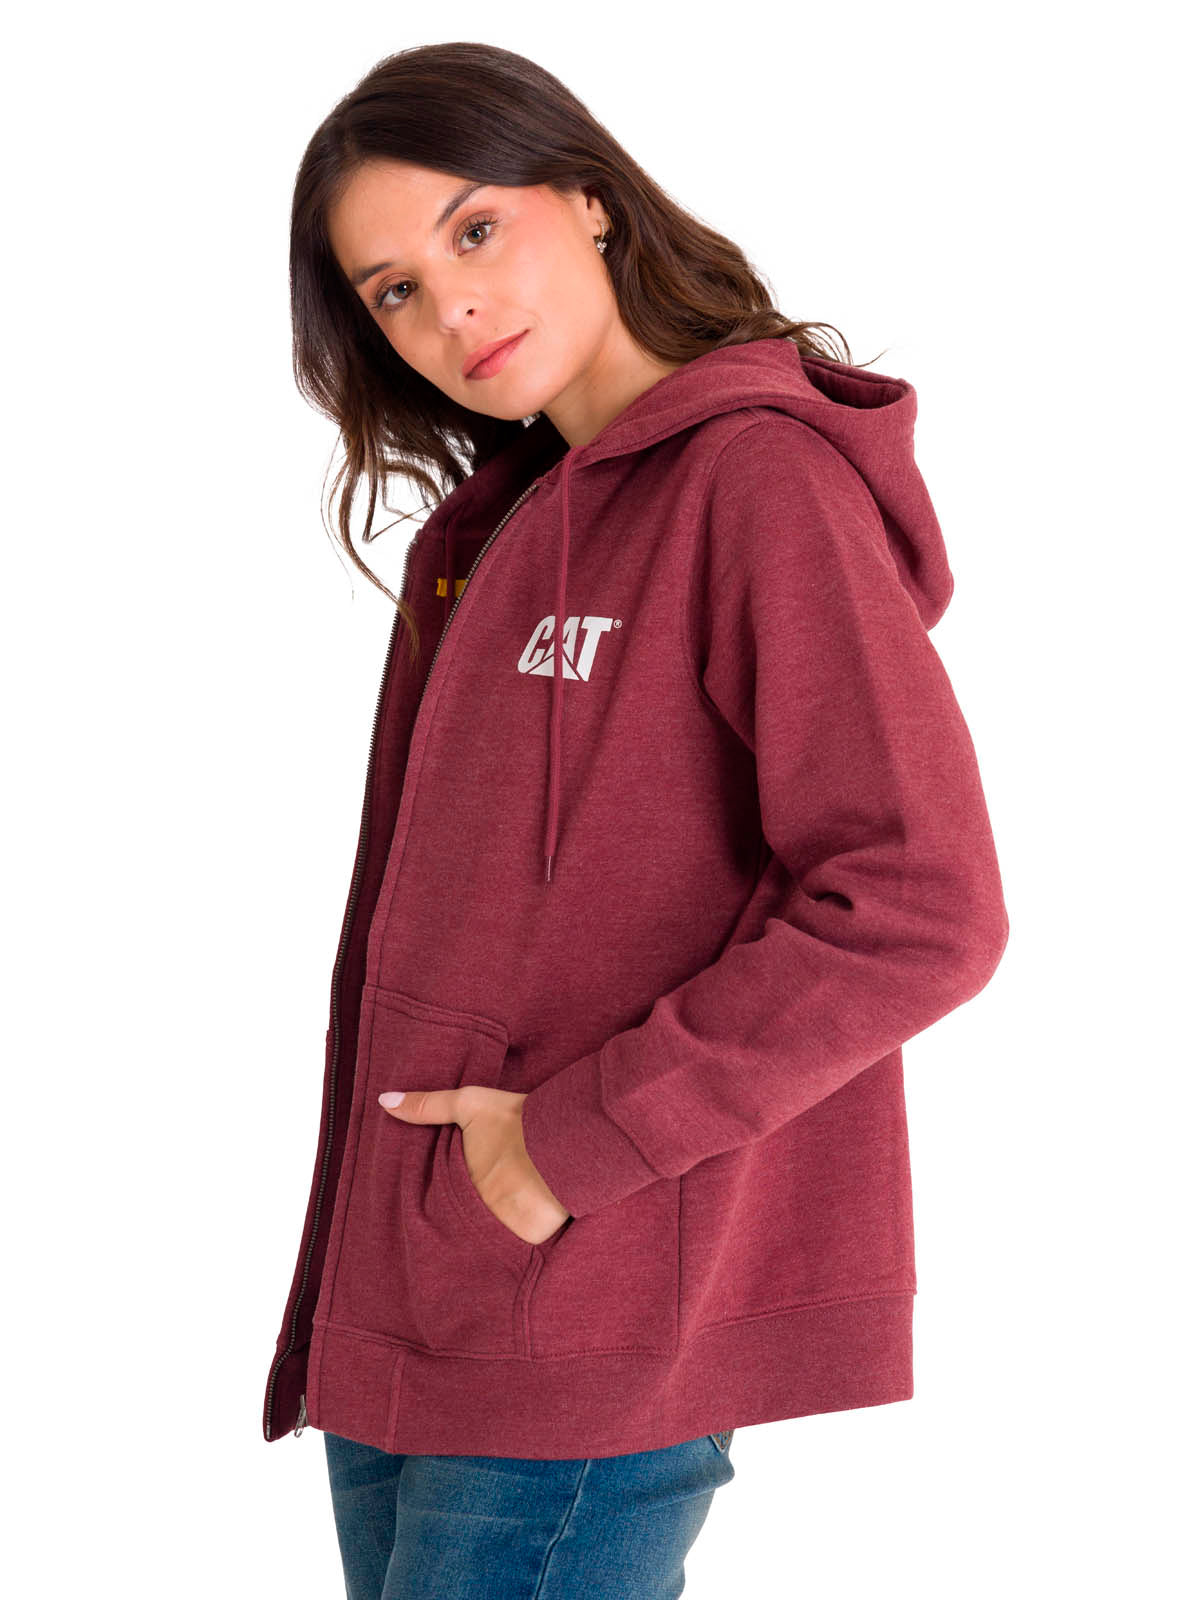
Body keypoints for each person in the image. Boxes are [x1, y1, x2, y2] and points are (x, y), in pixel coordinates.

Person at [261, 40, 1010, 1600]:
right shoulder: (487, 536)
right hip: (413, 1287)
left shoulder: (760, 487)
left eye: (476, 230)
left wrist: (571, 1149)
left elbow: (922, 904)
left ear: (590, 200)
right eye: (395, 290)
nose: (453, 308)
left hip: (591, 1291)